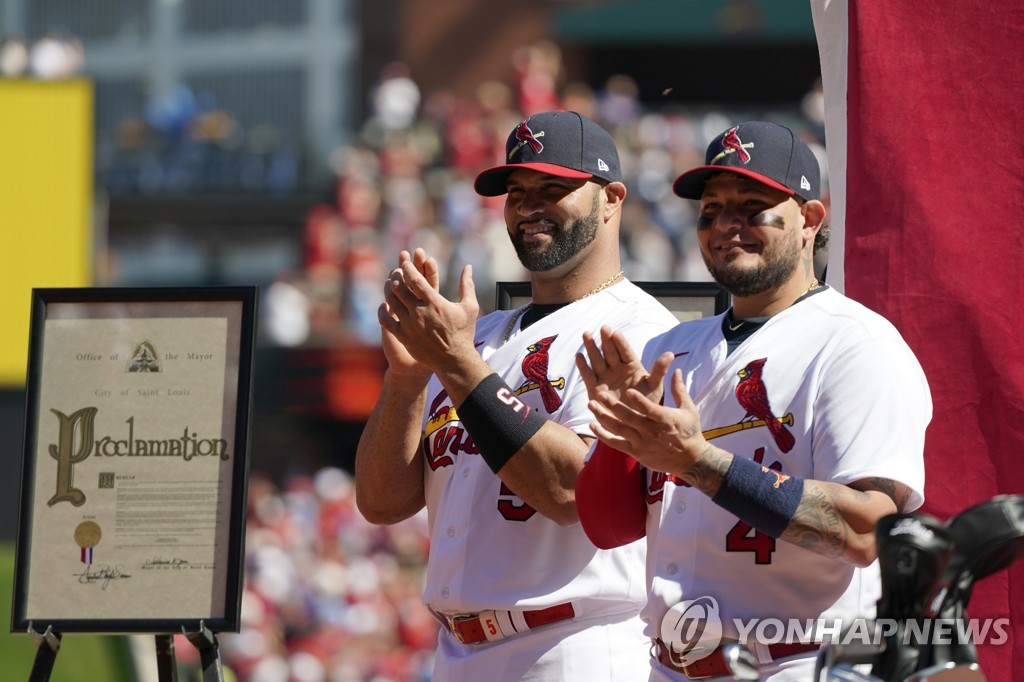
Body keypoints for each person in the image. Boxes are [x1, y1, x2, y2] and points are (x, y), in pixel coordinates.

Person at [574, 121, 932, 681]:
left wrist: (695, 461)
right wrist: (620, 443)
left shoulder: (856, 344)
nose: (726, 225)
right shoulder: (672, 348)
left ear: (810, 219)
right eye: (711, 210)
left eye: (752, 207)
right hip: (671, 665)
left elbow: (866, 531)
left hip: (800, 662)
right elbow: (608, 528)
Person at [354, 110, 679, 682]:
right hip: (458, 652)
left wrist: (454, 362)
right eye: (517, 191)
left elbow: (570, 490)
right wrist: (406, 380)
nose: (529, 206)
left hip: (573, 645)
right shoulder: (477, 334)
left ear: (611, 200)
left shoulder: (638, 329)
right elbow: (381, 504)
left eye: (554, 189)